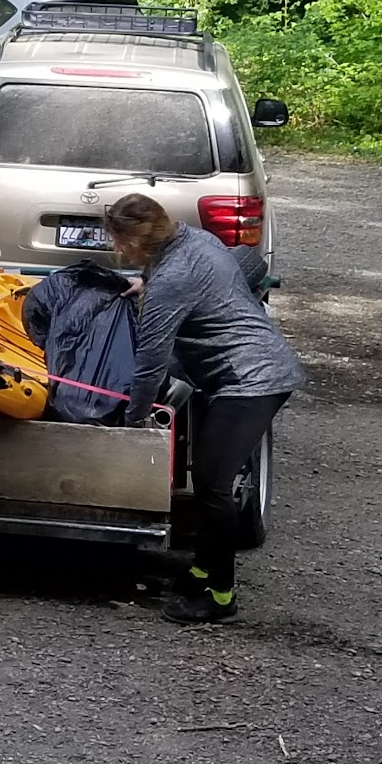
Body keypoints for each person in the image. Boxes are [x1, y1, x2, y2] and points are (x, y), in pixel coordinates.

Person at [103, 193, 306, 624]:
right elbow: (186, 277)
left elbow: (151, 362)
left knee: (214, 485)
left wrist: (132, 419)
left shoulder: (171, 281)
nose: (117, 250)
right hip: (253, 366)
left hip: (249, 381)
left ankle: (220, 596)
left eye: (118, 242)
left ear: (134, 241)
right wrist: (145, 282)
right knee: (209, 477)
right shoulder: (195, 239)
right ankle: (200, 571)